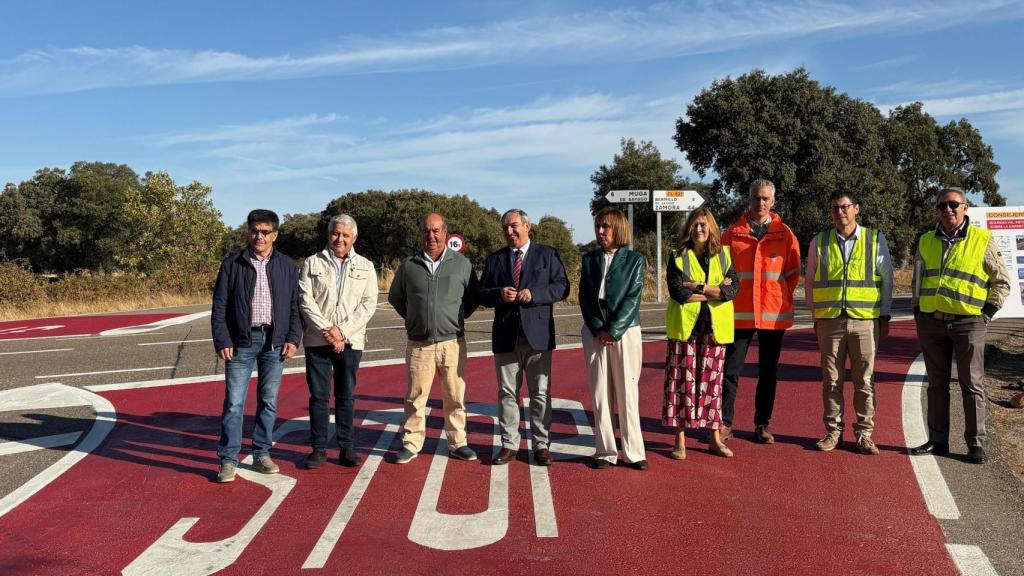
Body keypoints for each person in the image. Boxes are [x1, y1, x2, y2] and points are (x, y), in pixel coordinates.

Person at [910, 187, 1010, 464]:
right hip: (932, 323)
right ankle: (938, 441)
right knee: (936, 384)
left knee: (971, 385)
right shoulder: (926, 240)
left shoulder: (982, 239)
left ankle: (976, 444)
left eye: (953, 204)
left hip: (969, 323)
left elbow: (1001, 282)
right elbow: (918, 279)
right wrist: (918, 310)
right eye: (942, 206)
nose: (947, 210)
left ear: (965, 207)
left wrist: (986, 314)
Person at [211, 209, 301, 483]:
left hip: (275, 343)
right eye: (254, 231)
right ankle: (228, 459)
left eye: (264, 231)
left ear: (275, 234)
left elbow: (296, 306)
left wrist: (293, 338)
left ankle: (262, 453)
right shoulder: (232, 263)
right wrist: (222, 339)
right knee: (234, 404)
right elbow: (220, 306)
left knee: (269, 402)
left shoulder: (287, 266)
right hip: (240, 342)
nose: (258, 236)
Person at [804, 193, 893, 455]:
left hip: (865, 321)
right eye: (834, 208)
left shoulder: (874, 239)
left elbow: (887, 279)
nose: (840, 212)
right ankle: (833, 432)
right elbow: (809, 281)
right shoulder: (819, 242)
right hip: (830, 321)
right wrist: (815, 315)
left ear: (856, 209)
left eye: (845, 207)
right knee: (831, 380)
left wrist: (884, 315)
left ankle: (865, 434)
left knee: (864, 380)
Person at [388, 212, 480, 464]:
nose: (431, 236)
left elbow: (472, 299)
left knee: (454, 396)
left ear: (445, 233)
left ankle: (458, 442)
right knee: (415, 397)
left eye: (436, 230)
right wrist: (415, 320)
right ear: (420, 235)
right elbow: (396, 298)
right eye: (426, 231)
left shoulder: (462, 264)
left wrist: (452, 319)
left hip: (453, 343)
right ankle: (411, 443)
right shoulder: (409, 266)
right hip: (420, 344)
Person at [479, 209, 569, 466]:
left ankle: (541, 443)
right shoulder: (495, 259)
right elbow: (481, 292)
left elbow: (562, 286)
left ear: (528, 226)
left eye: (514, 226)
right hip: (506, 336)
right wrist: (498, 294)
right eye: (506, 227)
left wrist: (536, 294)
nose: (510, 231)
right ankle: (509, 444)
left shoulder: (547, 254)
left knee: (540, 392)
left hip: (538, 336)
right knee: (507, 392)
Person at [720, 179, 801, 444]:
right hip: (738, 313)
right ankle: (725, 423)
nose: (761, 203)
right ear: (749, 199)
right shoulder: (732, 234)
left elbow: (792, 274)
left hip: (771, 316)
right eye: (756, 197)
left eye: (766, 198)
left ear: (773, 201)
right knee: (730, 371)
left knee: (768, 373)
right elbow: (721, 272)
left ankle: (762, 424)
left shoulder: (784, 233)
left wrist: (778, 297)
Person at [298, 214, 379, 469]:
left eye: (345, 235)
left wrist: (341, 332)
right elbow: (305, 300)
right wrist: (328, 330)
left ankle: (347, 448)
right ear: (329, 235)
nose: (340, 239)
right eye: (336, 233)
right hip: (317, 340)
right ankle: (319, 449)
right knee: (319, 396)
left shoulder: (366, 266)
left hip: (351, 341)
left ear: (354, 237)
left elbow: (368, 304)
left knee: (346, 396)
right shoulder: (311, 263)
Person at [664, 207, 739, 459]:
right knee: (683, 386)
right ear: (689, 228)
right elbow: (678, 293)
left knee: (712, 387)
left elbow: (732, 290)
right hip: (685, 331)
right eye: (695, 225)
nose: (699, 229)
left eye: (704, 225)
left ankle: (715, 438)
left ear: (712, 228)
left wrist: (698, 287)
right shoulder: (676, 256)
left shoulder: (725, 256)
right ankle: (680, 439)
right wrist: (714, 291)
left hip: (715, 332)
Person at [579, 207, 648, 470]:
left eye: (605, 226)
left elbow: (634, 297)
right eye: (598, 226)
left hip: (625, 331)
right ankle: (605, 450)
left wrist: (614, 330)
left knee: (627, 390)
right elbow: (585, 298)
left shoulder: (635, 260)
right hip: (595, 331)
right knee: (600, 391)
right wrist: (598, 328)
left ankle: (633, 452)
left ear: (618, 228)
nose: (600, 231)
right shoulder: (589, 260)